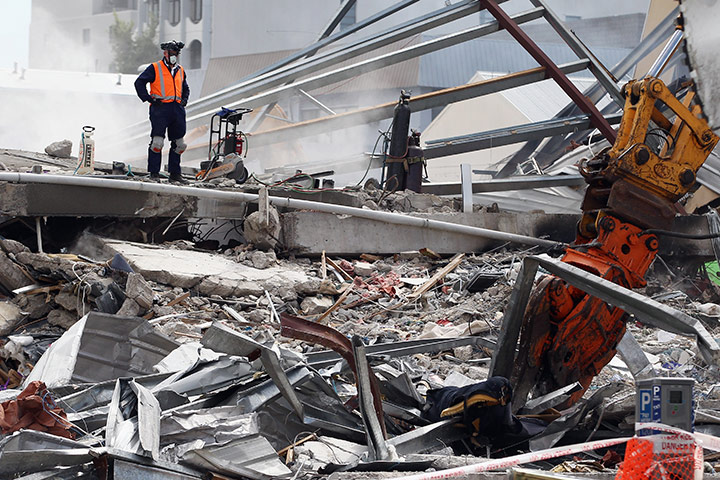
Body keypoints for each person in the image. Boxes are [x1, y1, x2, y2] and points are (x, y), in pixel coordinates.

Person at [134, 40, 189, 182]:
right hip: (160, 108)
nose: (174, 56)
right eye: (172, 53)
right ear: (165, 53)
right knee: (157, 143)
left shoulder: (180, 70)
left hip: (177, 109)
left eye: (176, 53)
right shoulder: (155, 68)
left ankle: (175, 174)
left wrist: (184, 100)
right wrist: (148, 98)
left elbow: (185, 87)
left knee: (179, 144)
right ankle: (154, 173)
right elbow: (139, 82)